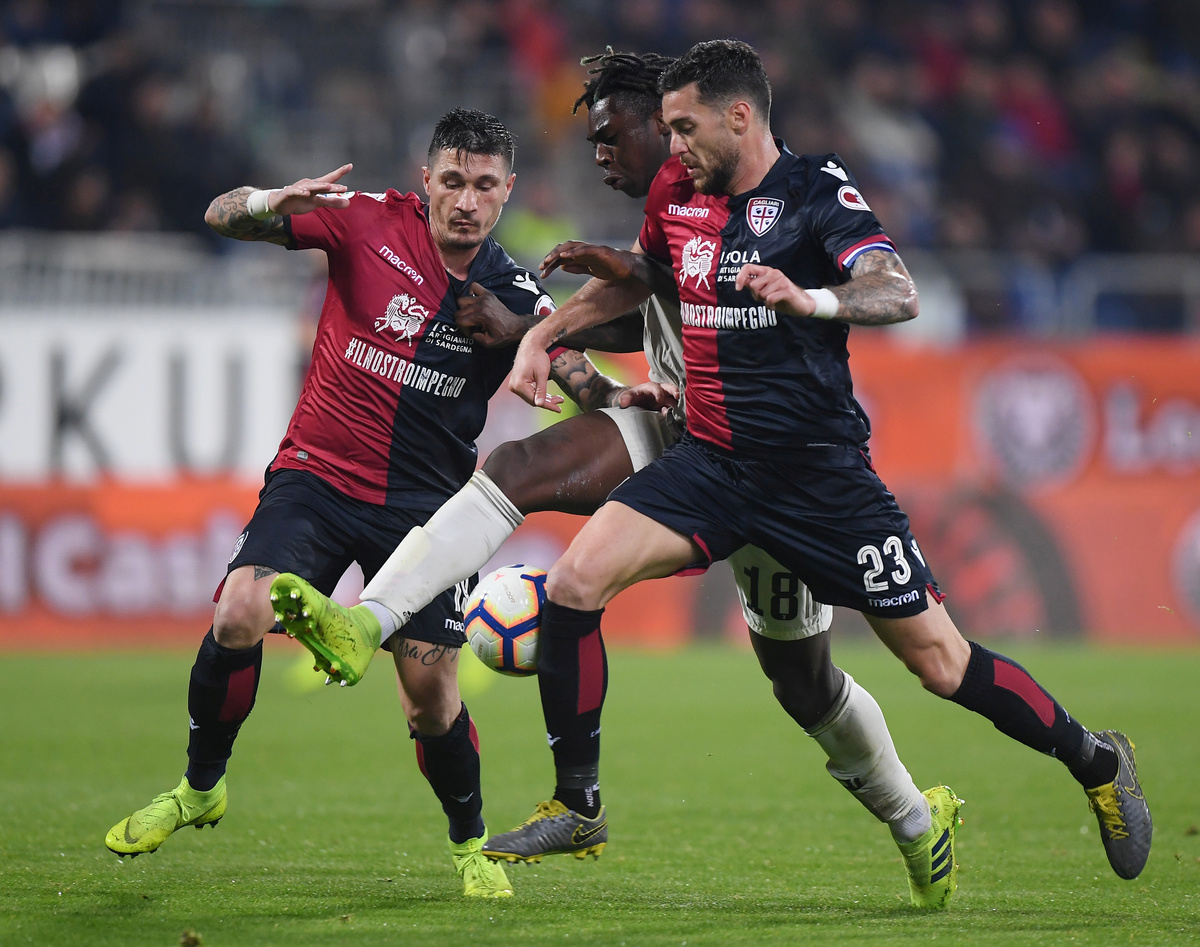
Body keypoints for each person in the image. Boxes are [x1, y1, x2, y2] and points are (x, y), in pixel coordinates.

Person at [270, 51, 963, 909]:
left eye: (614, 135)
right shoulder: (668, 199)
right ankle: (368, 623)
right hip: (682, 431)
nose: (601, 153)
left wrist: (535, 325)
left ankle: (914, 818)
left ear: (664, 126)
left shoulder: (732, 189)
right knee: (518, 466)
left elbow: (660, 298)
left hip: (776, 457)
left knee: (802, 680)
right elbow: (643, 299)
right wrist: (546, 338)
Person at [505, 39, 1152, 889]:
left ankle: (1097, 760)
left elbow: (896, 288)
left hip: (819, 478)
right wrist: (548, 331)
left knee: (941, 663)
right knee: (573, 583)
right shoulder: (677, 192)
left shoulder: (815, 191)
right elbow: (648, 278)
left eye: (686, 127)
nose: (674, 145)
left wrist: (810, 297)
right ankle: (578, 804)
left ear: (740, 116)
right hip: (712, 464)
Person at [103, 108, 624, 900]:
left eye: (485, 186)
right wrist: (273, 201)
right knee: (238, 613)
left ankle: (470, 843)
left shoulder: (515, 292)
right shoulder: (364, 220)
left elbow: (582, 379)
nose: (467, 201)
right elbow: (219, 214)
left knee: (431, 701)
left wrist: (611, 391)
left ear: (507, 190)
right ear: (427, 179)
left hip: (426, 514)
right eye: (453, 180)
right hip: (316, 477)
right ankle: (199, 789)